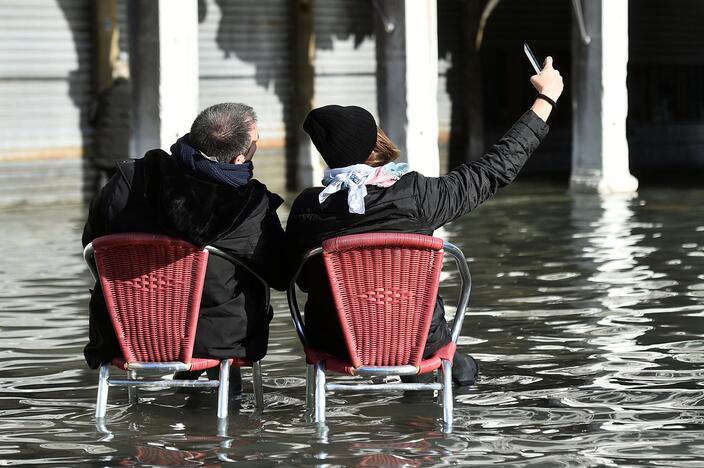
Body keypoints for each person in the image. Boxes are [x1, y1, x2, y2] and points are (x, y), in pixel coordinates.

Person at [285, 57, 564, 386]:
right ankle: (423, 424)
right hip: (419, 341)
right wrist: (545, 99)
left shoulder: (307, 208)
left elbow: (293, 279)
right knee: (459, 365)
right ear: (373, 141)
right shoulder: (418, 196)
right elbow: (494, 169)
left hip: (335, 343)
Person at [82, 102, 287, 390]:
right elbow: (281, 275)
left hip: (126, 330)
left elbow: (91, 247)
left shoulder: (126, 182)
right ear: (240, 159)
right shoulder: (251, 208)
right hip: (217, 339)